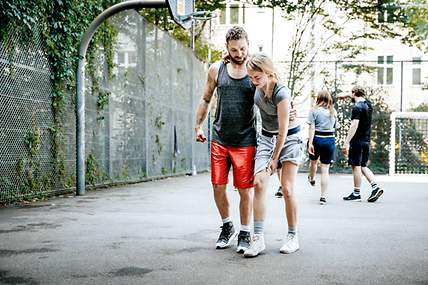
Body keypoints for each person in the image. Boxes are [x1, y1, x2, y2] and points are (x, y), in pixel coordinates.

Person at [243, 54, 303, 258]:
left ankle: (293, 236)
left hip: (289, 138)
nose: (253, 81)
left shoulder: (282, 93)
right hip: (267, 138)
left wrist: (274, 158)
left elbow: (284, 130)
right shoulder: (257, 86)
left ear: (268, 73)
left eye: (257, 77)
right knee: (259, 182)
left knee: (286, 188)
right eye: (251, 77)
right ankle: (257, 239)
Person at [341, 86, 384, 202]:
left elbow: (354, 125)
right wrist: (347, 95)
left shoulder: (357, 107)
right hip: (366, 141)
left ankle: (356, 194)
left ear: (354, 93)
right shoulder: (368, 104)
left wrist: (346, 142)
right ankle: (375, 186)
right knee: (363, 166)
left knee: (356, 167)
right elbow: (358, 96)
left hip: (357, 141)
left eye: (351, 93)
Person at [307, 90, 339, 205]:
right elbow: (337, 126)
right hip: (329, 140)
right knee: (325, 169)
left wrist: (310, 143)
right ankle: (323, 196)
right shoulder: (333, 111)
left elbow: (312, 128)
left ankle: (312, 178)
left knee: (313, 162)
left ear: (318, 98)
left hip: (317, 139)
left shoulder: (314, 110)